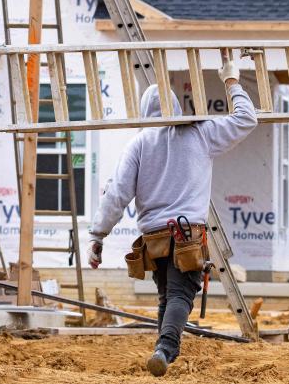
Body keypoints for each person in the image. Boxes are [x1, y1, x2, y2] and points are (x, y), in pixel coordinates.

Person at [86, 58, 257, 377]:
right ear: (177, 107)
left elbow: (117, 194)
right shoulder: (200, 133)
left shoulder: (138, 143)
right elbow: (246, 119)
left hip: (154, 239)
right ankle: (165, 348)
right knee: (180, 294)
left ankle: (162, 351)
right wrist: (231, 81)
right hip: (187, 236)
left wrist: (98, 235)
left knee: (167, 294)